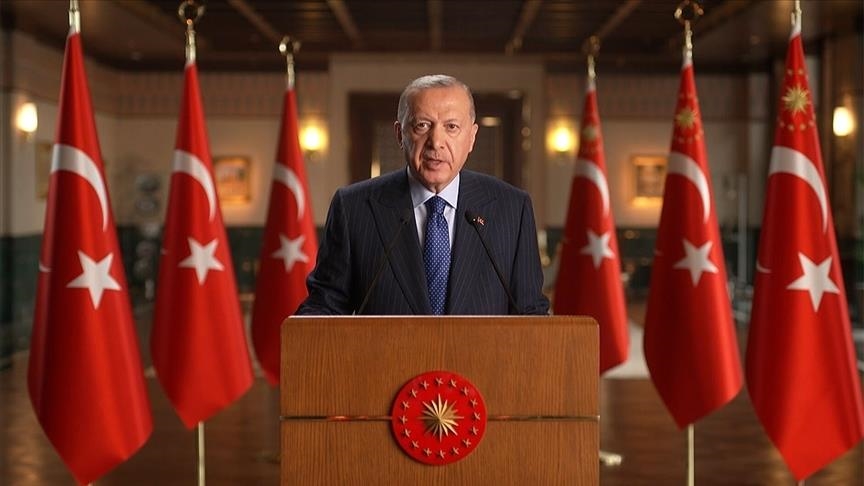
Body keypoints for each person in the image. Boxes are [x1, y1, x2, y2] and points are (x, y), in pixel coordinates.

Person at [295, 74, 549, 316]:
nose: (436, 142)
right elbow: (323, 309)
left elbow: (530, 314)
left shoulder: (512, 208)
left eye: (451, 127)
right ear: (400, 134)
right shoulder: (354, 208)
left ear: (472, 138)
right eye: (422, 125)